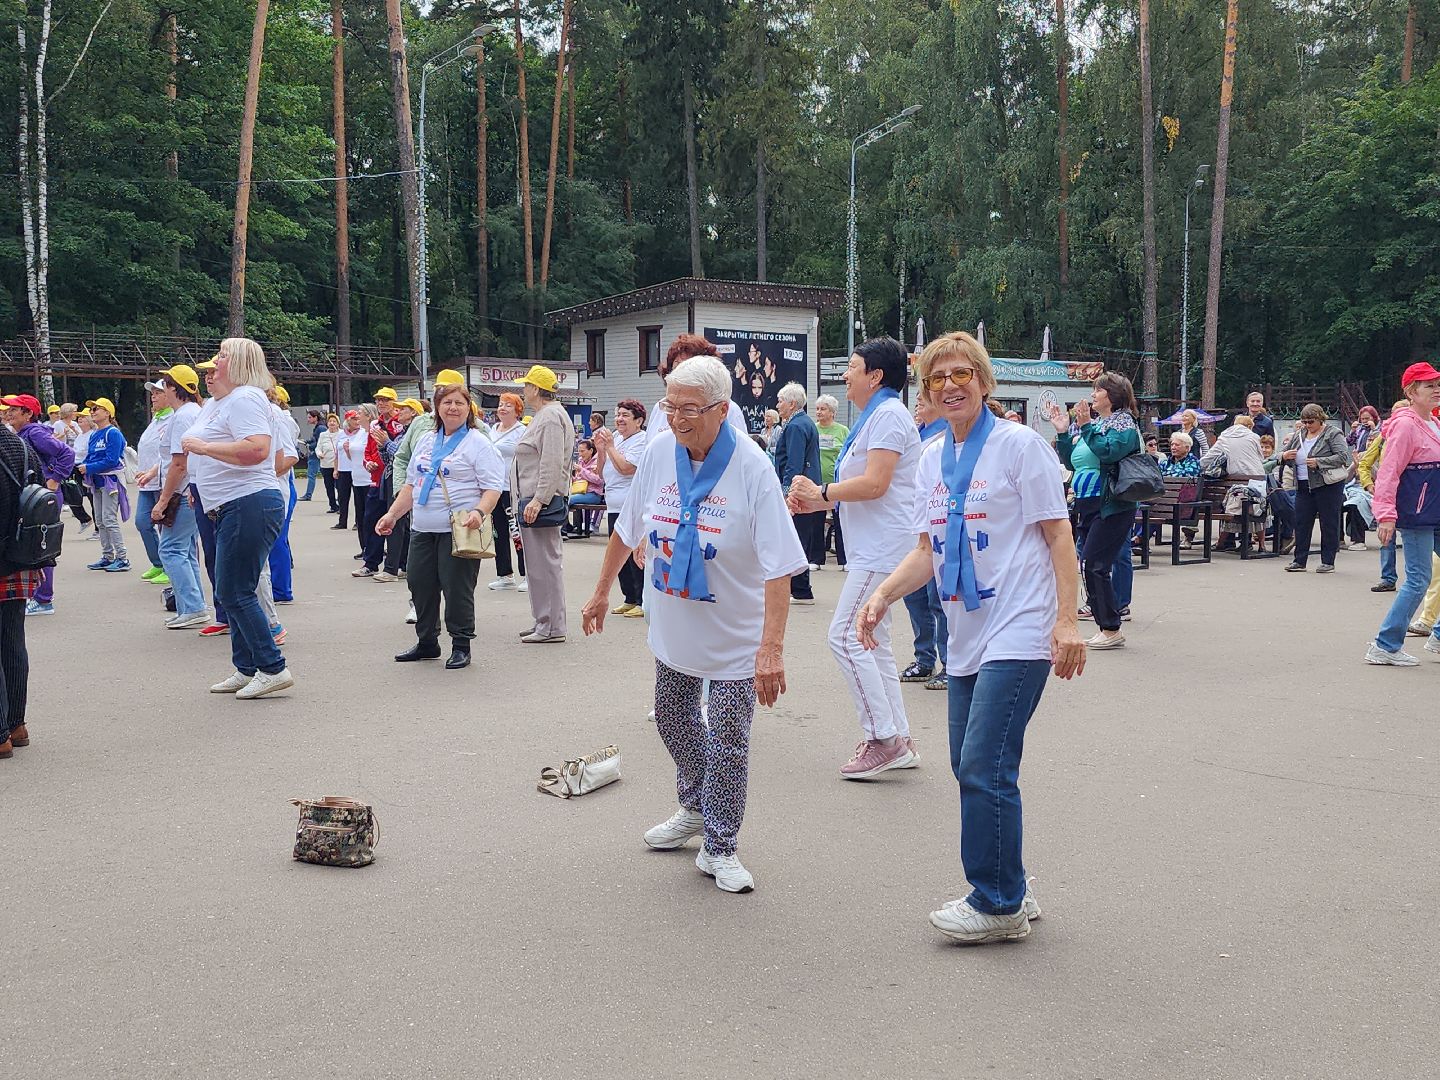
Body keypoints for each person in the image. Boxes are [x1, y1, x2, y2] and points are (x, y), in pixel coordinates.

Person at [854, 330, 1085, 944]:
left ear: (984, 382)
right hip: (966, 631)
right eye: (938, 377)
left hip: (1021, 624)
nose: (950, 385)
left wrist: (1068, 619)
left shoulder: (1020, 447)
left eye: (962, 374)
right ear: (927, 390)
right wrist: (882, 595)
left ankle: (997, 900)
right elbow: (927, 552)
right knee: (970, 763)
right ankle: (1013, 884)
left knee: (984, 761)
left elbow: (1059, 536)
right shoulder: (931, 459)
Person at [581, 355, 805, 894]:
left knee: (729, 739)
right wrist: (600, 590)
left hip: (734, 634)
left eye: (689, 409)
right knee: (671, 718)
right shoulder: (661, 452)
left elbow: (779, 569)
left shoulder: (751, 468)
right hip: (674, 623)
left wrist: (771, 649)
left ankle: (721, 844)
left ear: (722, 410)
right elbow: (628, 524)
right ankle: (697, 805)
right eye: (670, 406)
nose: (677, 419)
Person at [787, 336, 921, 778]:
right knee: (872, 640)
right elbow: (864, 486)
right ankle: (897, 736)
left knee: (844, 636)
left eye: (852, 366)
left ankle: (882, 738)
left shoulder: (886, 417)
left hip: (882, 548)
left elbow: (876, 483)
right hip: (878, 545)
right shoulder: (878, 415)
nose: (845, 374)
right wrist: (816, 500)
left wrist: (821, 492)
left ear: (875, 376)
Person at [184, 339, 293, 699]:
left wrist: (204, 448)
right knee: (229, 587)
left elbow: (258, 449)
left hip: (249, 502)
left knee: (235, 589)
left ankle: (272, 666)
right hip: (231, 504)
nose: (215, 361)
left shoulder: (246, 398)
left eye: (223, 355)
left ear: (241, 362)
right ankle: (247, 667)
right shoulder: (220, 403)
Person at [377, 381, 504, 670]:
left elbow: (493, 488)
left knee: (456, 588)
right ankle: (427, 642)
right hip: (423, 526)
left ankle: (461, 645)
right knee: (419, 584)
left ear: (468, 408)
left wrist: (479, 512)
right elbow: (412, 483)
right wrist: (392, 516)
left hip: (458, 529)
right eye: (447, 402)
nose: (453, 408)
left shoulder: (478, 442)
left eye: (459, 403)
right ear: (437, 407)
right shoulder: (425, 440)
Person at [1055, 372, 1142, 649]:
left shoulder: (1124, 423)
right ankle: (1107, 625)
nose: (1093, 395)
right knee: (1091, 564)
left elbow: (1109, 453)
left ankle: (1111, 627)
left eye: (1098, 390)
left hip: (1112, 505)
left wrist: (1086, 426)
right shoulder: (1099, 423)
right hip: (1088, 503)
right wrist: (1063, 432)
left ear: (1112, 395)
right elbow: (1072, 462)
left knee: (1095, 564)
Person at [1365, 363, 1440, 666]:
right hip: (1417, 513)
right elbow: (1388, 472)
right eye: (1429, 386)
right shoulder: (1405, 425)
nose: (1437, 390)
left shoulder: (1434, 423)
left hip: (1433, 512)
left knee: (1420, 578)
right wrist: (1385, 514)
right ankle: (1385, 645)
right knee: (1418, 579)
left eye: (1438, 384)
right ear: (1411, 392)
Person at [511, 366, 575, 643]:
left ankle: (550, 626)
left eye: (525, 386)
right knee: (537, 564)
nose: (523, 390)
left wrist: (540, 499)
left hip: (539, 501)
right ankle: (543, 620)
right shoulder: (547, 415)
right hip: (532, 500)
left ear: (536, 389)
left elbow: (551, 462)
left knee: (544, 564)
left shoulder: (549, 417)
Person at [148, 365, 210, 630]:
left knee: (171, 549)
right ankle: (192, 606)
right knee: (183, 550)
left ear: (174, 388)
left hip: (183, 492)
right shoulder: (191, 413)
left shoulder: (183, 417)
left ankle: (193, 607)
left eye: (165, 383)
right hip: (190, 490)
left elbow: (178, 464)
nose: (161, 388)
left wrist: (163, 500)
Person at [1, 395, 73, 617]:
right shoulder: (23, 433)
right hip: (36, 497)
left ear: (28, 414)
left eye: (15, 409)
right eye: (9, 409)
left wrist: (54, 480)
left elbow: (66, 453)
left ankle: (44, 599)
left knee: (39, 546)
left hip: (41, 498)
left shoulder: (34, 432)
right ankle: (39, 597)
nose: (9, 413)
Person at [900, 397, 949, 689]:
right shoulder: (920, 432)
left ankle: (949, 664)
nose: (917, 402)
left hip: (936, 526)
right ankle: (924, 658)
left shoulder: (946, 433)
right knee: (913, 596)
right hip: (912, 522)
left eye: (924, 399)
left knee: (937, 600)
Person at [0, 422, 42, 760]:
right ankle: (16, 724)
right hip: (20, 556)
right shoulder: (20, 445)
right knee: (13, 640)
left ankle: (0, 734)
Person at [593, 400, 649, 616]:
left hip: (632, 503)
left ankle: (642, 601)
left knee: (635, 553)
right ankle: (629, 597)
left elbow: (626, 468)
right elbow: (600, 473)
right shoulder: (614, 439)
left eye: (625, 415)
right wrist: (601, 451)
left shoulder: (641, 440)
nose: (619, 419)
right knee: (617, 554)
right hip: (614, 504)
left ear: (639, 421)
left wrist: (610, 448)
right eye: (618, 415)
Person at [1281, 404, 1351, 574]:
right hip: (1303, 484)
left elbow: (1343, 457)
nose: (1307, 425)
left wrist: (1320, 462)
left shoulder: (1333, 433)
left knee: (1329, 522)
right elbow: (1284, 452)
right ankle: (1299, 560)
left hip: (1327, 485)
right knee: (1302, 522)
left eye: (1310, 421)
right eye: (1304, 421)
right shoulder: (1300, 434)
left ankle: (1328, 561)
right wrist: (1284, 456)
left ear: (1320, 418)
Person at [649, 334, 750, 440]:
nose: (682, 373)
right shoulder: (661, 408)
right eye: (677, 367)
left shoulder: (726, 408)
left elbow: (738, 449)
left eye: (690, 368)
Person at [774, 382, 821, 604]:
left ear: (792, 404)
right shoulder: (805, 422)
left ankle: (801, 589)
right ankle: (802, 587)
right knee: (802, 536)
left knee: (796, 538)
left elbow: (793, 461)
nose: (777, 405)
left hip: (799, 491)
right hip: (807, 487)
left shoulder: (795, 427)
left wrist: (787, 493)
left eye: (780, 401)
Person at [372, 398, 421, 583]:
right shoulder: (402, 433)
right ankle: (402, 564)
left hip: (403, 482)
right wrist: (382, 447)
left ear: (414, 413)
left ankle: (391, 568)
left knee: (397, 524)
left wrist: (387, 444)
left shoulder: (416, 432)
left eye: (404, 409)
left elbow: (406, 455)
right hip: (393, 478)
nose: (398, 412)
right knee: (402, 525)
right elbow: (391, 459)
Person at [1200, 414, 1266, 551]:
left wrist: (1197, 466)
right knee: (1256, 510)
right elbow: (1260, 457)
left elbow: (1210, 456)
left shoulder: (1225, 437)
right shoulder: (1254, 437)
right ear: (1249, 426)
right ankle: (1260, 545)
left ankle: (1223, 543)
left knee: (1234, 507)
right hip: (1258, 478)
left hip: (1236, 481)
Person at [79, 396, 130, 572]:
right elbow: (91, 456)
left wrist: (88, 467)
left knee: (109, 519)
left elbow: (112, 460)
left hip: (111, 482)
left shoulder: (113, 433)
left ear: (108, 413)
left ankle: (122, 558)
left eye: (96, 409)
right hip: (97, 482)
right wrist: (82, 466)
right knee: (100, 520)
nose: (92, 412)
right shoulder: (94, 434)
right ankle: (107, 556)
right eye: (92, 409)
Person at [485, 391, 529, 592]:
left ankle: (527, 574)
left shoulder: (522, 431)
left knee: (516, 531)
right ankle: (504, 574)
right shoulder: (492, 429)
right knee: (498, 532)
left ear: (517, 411)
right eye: (501, 404)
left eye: (508, 405)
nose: (502, 408)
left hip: (512, 488)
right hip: (494, 487)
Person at [132, 383, 174, 583]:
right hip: (147, 482)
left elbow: (169, 454)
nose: (153, 397)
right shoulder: (156, 419)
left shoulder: (172, 418)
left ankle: (169, 566)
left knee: (164, 525)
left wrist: (152, 471)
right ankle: (158, 563)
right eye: (153, 394)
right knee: (142, 522)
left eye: (158, 393)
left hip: (162, 481)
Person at [267, 385, 301, 600]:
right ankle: (279, 586)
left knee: (276, 538)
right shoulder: (279, 417)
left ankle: (281, 589)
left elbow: (290, 456)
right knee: (277, 538)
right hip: (279, 482)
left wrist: (266, 476)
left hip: (279, 483)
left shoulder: (280, 418)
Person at [814, 394, 848, 569]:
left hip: (836, 483)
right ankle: (816, 559)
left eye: (823, 409)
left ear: (832, 412)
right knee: (816, 521)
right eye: (818, 408)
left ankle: (844, 560)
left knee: (840, 520)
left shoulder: (842, 431)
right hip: (817, 482)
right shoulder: (813, 429)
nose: (819, 412)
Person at [333, 408, 372, 537]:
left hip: (358, 471)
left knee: (360, 501)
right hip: (344, 469)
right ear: (347, 420)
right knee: (343, 496)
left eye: (357, 418)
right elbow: (337, 453)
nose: (356, 421)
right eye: (353, 419)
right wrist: (336, 468)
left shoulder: (362, 432)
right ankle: (342, 521)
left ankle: (357, 522)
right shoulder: (341, 434)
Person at [1160, 431, 1202, 548]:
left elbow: (1185, 475)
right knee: (1147, 507)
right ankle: (1140, 539)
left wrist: (1167, 477)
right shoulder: (1165, 462)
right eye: (1172, 445)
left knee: (1155, 508)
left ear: (1187, 448)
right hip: (1164, 500)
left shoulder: (1193, 462)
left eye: (1177, 445)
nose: (1173, 447)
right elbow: (1156, 477)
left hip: (1183, 503)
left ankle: (1139, 539)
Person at [565, 438, 605, 538]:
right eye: (579, 451)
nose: (580, 454)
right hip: (580, 491)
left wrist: (582, 470)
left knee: (569, 500)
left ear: (591, 450)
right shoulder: (580, 461)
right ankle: (567, 525)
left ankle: (564, 527)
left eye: (582, 451)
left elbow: (599, 480)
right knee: (563, 498)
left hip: (593, 494)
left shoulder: (597, 461)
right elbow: (578, 479)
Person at [315, 414, 340, 512]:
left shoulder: (341, 434)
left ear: (338, 424)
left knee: (339, 487)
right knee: (329, 487)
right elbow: (318, 447)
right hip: (326, 464)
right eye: (330, 421)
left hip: (338, 465)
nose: (332, 423)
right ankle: (333, 505)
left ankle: (341, 506)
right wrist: (319, 454)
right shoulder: (323, 435)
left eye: (334, 421)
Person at [300, 409, 325, 501]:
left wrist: (310, 446)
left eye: (310, 417)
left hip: (316, 454)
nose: (308, 419)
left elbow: (319, 442)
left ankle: (308, 495)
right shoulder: (320, 427)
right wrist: (307, 441)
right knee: (325, 475)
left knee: (312, 475)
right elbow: (316, 439)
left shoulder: (320, 428)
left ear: (315, 417)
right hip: (318, 454)